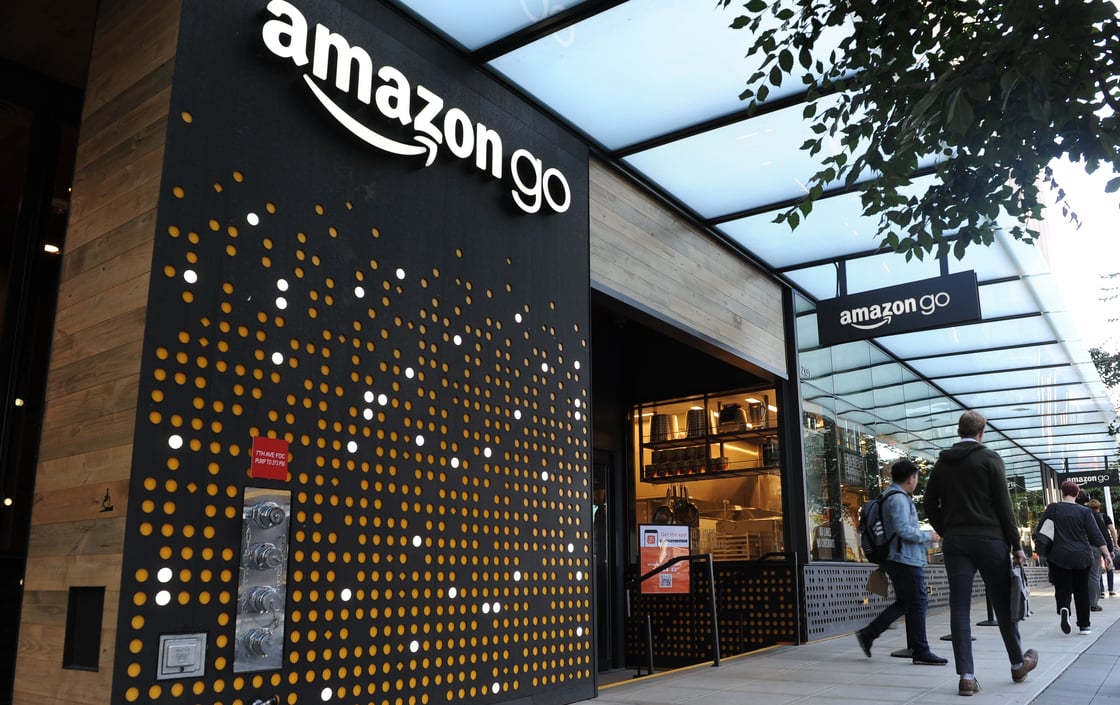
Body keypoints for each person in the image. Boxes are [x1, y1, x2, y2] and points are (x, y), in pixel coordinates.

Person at [925, 410, 1037, 697]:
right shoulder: (990, 459)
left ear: (959, 431)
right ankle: (1016, 664)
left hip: (956, 543)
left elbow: (928, 504)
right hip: (990, 541)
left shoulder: (942, 463)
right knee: (1002, 604)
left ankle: (966, 677)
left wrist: (947, 529)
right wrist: (1016, 546)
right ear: (981, 432)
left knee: (959, 608)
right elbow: (1004, 506)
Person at [854, 461, 947, 666]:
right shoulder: (898, 499)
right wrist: (928, 535)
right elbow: (903, 530)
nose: (916, 481)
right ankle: (920, 649)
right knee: (918, 601)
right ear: (910, 478)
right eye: (916, 477)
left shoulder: (890, 496)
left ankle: (870, 634)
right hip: (904, 559)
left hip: (899, 558)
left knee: (907, 602)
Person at [1037, 483, 1112, 634]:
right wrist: (1107, 554)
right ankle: (1084, 625)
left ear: (1062, 493)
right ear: (1077, 494)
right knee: (1081, 590)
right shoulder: (1085, 511)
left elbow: (1040, 530)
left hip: (1059, 556)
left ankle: (1064, 608)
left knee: (1062, 588)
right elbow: (1096, 535)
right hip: (1082, 556)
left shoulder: (1053, 508)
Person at [1087, 498, 1113, 609]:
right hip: (1095, 547)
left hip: (1079, 548)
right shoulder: (1099, 516)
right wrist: (1110, 549)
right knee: (1095, 574)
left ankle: (1095, 594)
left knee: (1086, 575)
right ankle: (1094, 602)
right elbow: (1105, 533)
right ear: (1099, 507)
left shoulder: (1079, 513)